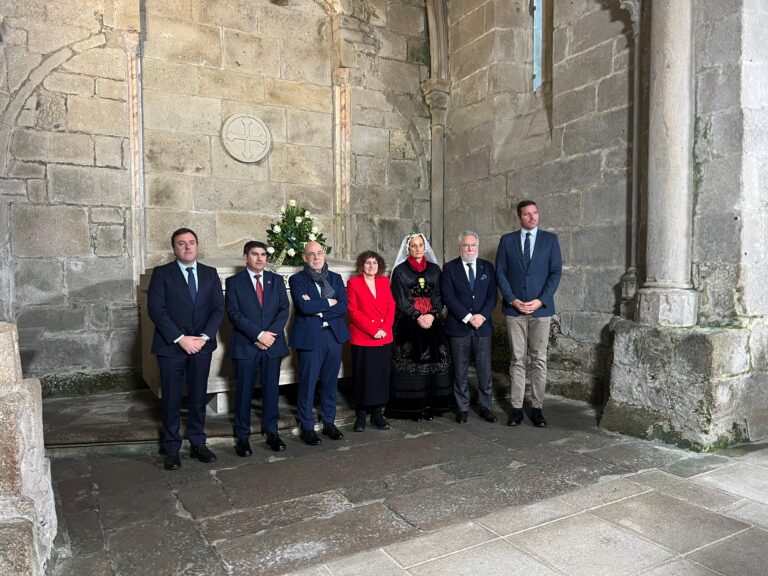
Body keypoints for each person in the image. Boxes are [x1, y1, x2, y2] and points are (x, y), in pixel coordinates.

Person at [147, 228, 225, 471]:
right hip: (172, 348)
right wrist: (181, 339)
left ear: (197, 245)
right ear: (174, 248)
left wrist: (202, 337)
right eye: (182, 243)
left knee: (198, 396)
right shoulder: (162, 274)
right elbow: (156, 310)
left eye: (191, 243)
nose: (188, 247)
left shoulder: (209, 273)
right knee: (171, 397)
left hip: (201, 346)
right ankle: (171, 447)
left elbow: (217, 309)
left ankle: (198, 442)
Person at [496, 200, 562, 427]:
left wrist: (540, 300)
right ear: (519, 217)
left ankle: (537, 408)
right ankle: (515, 408)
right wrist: (512, 300)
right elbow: (501, 273)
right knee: (517, 359)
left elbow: (555, 273)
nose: (533, 217)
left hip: (541, 310)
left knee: (539, 359)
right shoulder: (507, 241)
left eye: (535, 213)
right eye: (527, 214)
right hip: (514, 310)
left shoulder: (550, 240)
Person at [225, 240, 290, 455]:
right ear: (246, 257)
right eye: (255, 254)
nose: (260, 258)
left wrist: (269, 336)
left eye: (263, 254)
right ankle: (242, 436)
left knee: (271, 390)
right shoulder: (234, 282)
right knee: (244, 391)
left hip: (273, 344)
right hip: (246, 345)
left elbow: (283, 310)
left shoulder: (276, 280)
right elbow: (234, 313)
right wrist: (258, 334)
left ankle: (271, 431)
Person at [289, 241, 350, 445]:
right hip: (310, 337)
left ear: (324, 255)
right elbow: (304, 307)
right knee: (307, 383)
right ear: (304, 258)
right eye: (311, 254)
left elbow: (343, 307)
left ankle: (328, 422)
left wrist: (319, 308)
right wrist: (327, 303)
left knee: (330, 382)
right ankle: (307, 427)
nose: (316, 257)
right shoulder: (297, 279)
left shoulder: (335, 278)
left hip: (333, 336)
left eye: (319, 253)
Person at [389, 233, 451, 420]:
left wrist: (431, 315)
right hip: (409, 322)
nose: (417, 249)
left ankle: (432, 406)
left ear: (425, 247)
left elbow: (439, 295)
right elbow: (401, 298)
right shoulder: (400, 271)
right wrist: (417, 316)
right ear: (408, 249)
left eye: (420, 245)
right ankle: (413, 408)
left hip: (433, 323)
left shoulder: (434, 269)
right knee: (412, 364)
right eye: (413, 246)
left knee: (433, 363)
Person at [441, 231, 498, 424]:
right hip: (459, 327)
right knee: (460, 369)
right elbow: (448, 296)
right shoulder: (449, 268)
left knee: (484, 369)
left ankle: (486, 406)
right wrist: (467, 317)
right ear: (460, 248)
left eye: (473, 245)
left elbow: (492, 296)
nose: (469, 249)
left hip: (482, 326)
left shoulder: (487, 268)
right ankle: (462, 408)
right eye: (466, 245)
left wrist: (481, 316)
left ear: (478, 247)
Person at [347, 250, 396, 432]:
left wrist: (384, 328)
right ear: (362, 265)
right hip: (363, 337)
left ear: (379, 265)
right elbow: (353, 311)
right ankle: (360, 415)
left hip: (384, 336)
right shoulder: (353, 283)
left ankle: (377, 414)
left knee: (381, 376)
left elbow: (391, 306)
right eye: (368, 263)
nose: (371, 266)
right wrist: (373, 329)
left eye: (375, 263)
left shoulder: (384, 281)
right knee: (363, 376)